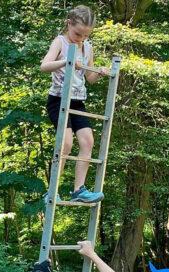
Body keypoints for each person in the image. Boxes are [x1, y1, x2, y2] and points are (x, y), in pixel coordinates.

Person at [40, 4, 110, 204]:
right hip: (58, 100)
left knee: (88, 142)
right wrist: (66, 61)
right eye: (78, 34)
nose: (81, 39)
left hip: (78, 100)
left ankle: (79, 189)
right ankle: (52, 191)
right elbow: (44, 66)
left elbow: (89, 78)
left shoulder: (87, 47)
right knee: (66, 143)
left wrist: (99, 72)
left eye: (85, 35)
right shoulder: (60, 42)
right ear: (68, 24)